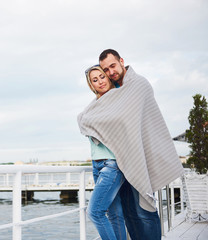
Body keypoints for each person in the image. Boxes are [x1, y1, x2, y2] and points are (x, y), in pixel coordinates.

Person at [78, 49, 184, 240]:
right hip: (120, 159)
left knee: (143, 210)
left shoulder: (137, 85)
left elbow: (136, 123)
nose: (110, 73)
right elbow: (89, 120)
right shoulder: (112, 94)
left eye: (112, 66)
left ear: (121, 61)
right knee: (126, 212)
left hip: (134, 157)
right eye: (105, 70)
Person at [85, 65, 127, 240]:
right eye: (95, 80)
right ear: (92, 86)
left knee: (95, 212)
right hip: (97, 164)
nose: (100, 81)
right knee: (115, 215)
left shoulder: (117, 98)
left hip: (112, 164)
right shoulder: (94, 106)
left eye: (102, 76)